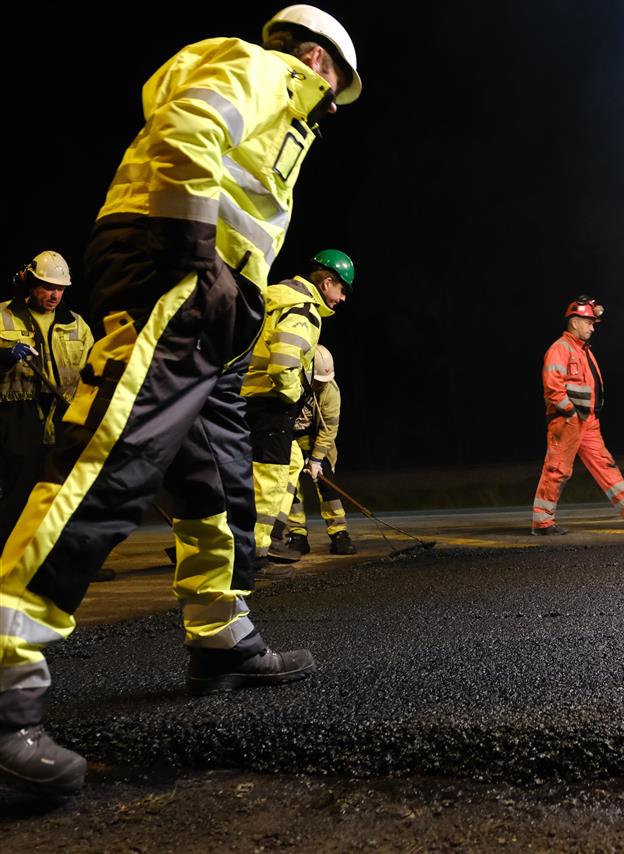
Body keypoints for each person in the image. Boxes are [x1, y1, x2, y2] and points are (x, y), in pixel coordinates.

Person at [0, 5, 361, 797]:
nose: (334, 105)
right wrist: (195, 253)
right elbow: (192, 124)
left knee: (220, 480)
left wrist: (230, 291)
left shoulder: (286, 112)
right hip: (177, 264)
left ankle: (222, 638)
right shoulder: (265, 70)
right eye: (337, 84)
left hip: (219, 296)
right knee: (112, 455)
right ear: (317, 60)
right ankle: (7, 678)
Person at [242, 250, 353, 566]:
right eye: (342, 289)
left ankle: (273, 538)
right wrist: (292, 396)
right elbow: (283, 364)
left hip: (246, 394)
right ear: (327, 282)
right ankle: (259, 551)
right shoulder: (303, 310)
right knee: (271, 477)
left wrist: (316, 459)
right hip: (270, 402)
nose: (342, 298)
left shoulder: (275, 299)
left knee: (287, 466)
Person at [531, 295, 624, 534]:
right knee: (557, 469)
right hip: (567, 420)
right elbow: (552, 386)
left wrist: (588, 414)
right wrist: (569, 411)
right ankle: (542, 522)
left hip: (587, 420)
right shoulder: (560, 349)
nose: (592, 328)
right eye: (589, 322)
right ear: (574, 322)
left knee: (604, 463)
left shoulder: (583, 350)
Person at [0, 253, 95, 539]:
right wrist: (4, 355)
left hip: (64, 414)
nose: (55, 295)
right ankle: (10, 555)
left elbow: (93, 371)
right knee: (17, 490)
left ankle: (59, 555)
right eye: (48, 287)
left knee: (64, 493)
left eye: (60, 288)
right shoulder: (3, 316)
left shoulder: (77, 324)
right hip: (17, 415)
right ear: (30, 284)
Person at [284, 345, 356, 555]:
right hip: (289, 440)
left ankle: (339, 533)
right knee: (289, 486)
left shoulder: (330, 391)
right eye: (317, 380)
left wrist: (316, 460)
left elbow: (329, 429)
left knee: (327, 484)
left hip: (315, 440)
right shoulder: (290, 384)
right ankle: (297, 535)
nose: (321, 384)